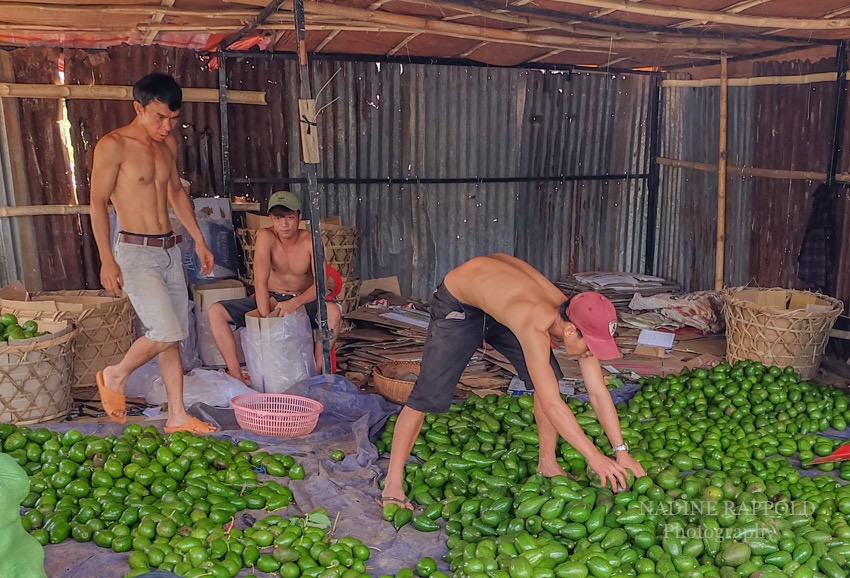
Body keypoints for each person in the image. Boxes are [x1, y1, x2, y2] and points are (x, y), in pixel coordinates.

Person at [382, 254, 646, 509]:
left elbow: (598, 392)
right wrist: (595, 458)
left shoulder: (578, 317)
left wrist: (620, 450)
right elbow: (553, 404)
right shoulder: (535, 321)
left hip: (500, 303)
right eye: (591, 346)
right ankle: (393, 483)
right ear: (569, 330)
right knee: (427, 394)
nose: (592, 353)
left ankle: (548, 463)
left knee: (547, 378)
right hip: (460, 302)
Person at [90, 72, 218, 434]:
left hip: (170, 250)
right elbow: (98, 204)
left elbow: (176, 193)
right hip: (134, 252)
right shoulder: (113, 145)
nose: (167, 126)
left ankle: (177, 415)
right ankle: (116, 375)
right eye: (159, 117)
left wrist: (198, 239)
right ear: (138, 107)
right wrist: (106, 259)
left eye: (174, 119)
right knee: (166, 328)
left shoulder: (168, 146)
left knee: (173, 337)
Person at [208, 190, 342, 382]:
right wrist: (266, 320)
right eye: (278, 218)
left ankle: (314, 375)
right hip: (272, 298)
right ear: (271, 218)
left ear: (299, 217)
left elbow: (321, 286)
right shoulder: (266, 236)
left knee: (334, 313)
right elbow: (260, 281)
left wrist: (294, 303)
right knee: (215, 312)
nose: (284, 224)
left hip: (304, 299)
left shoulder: (310, 240)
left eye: (289, 217)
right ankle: (237, 376)